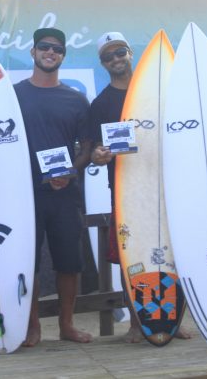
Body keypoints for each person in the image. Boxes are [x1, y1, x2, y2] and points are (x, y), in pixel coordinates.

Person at [88, 31, 192, 343]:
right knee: (130, 255)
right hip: (127, 192)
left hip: (167, 187)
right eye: (108, 56)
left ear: (130, 52)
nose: (116, 59)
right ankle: (137, 322)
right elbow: (93, 151)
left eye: (119, 52)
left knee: (176, 252)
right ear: (102, 63)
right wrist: (97, 155)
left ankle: (173, 321)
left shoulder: (163, 91)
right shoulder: (101, 103)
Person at [14, 28, 93, 347]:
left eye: (57, 49)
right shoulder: (13, 95)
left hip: (64, 194)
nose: (50, 52)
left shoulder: (76, 99)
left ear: (63, 56)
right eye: (44, 47)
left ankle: (67, 325)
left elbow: (86, 148)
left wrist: (70, 172)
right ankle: (32, 327)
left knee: (69, 262)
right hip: (23, 195)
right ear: (33, 52)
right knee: (25, 263)